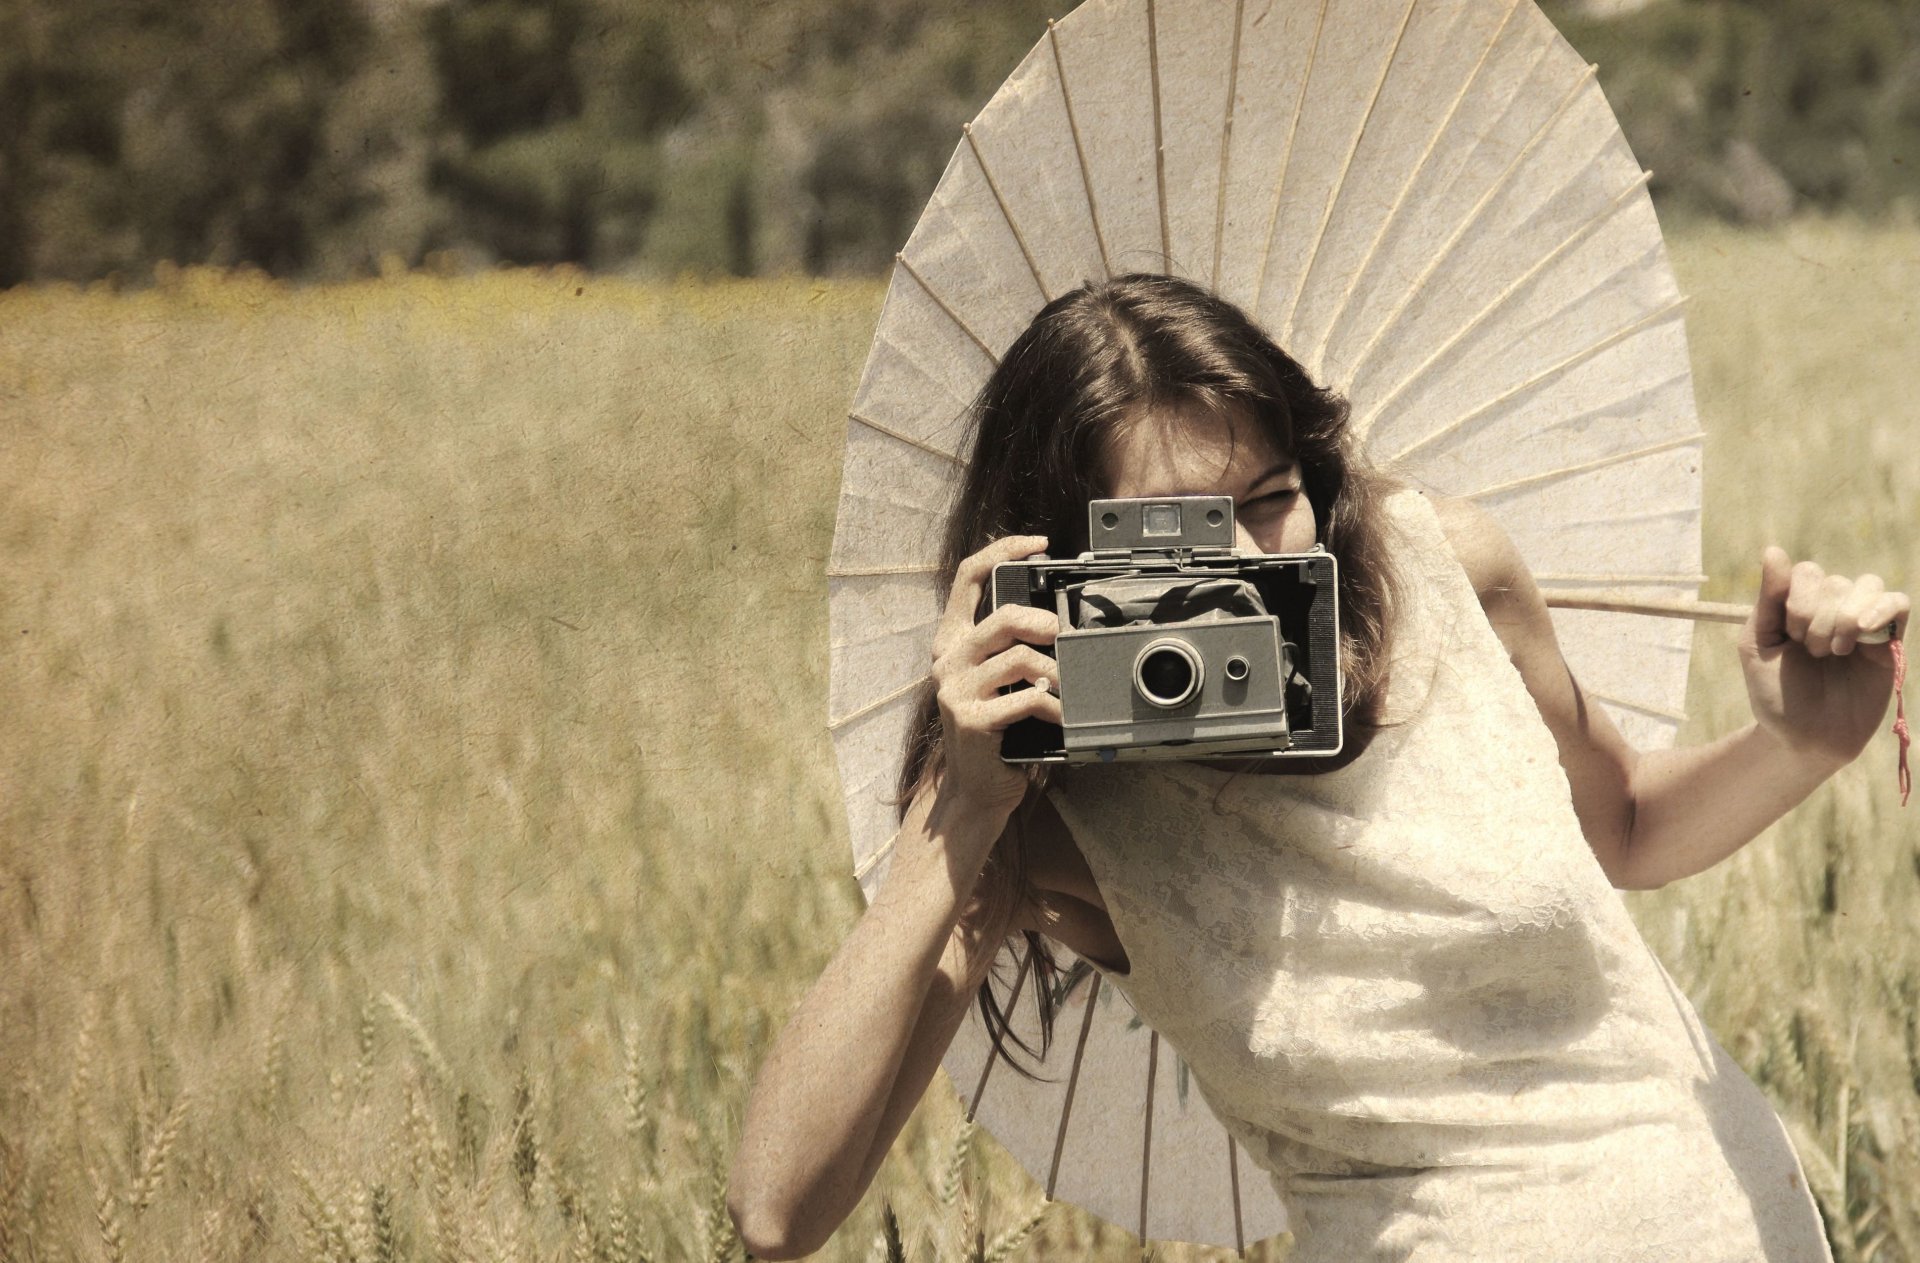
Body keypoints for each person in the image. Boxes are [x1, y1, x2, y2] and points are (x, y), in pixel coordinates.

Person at [727, 274, 1908, 1260]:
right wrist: (966, 806)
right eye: (1181, 537)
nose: (1249, 562)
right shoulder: (1044, 808)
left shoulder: (1438, 569)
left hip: (1726, 1222)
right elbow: (778, 1210)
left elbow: (1631, 831)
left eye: (1272, 499)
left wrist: (1802, 741)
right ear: (1060, 563)